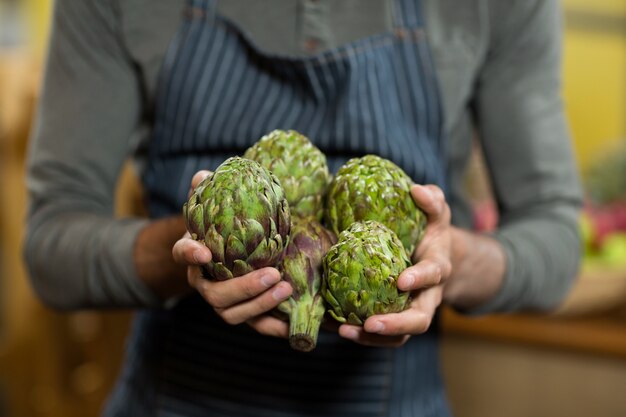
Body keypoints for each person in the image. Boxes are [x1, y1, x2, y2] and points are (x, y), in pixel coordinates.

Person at [24, 0, 583, 416]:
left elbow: (556, 241)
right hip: (176, 398)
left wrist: (446, 261)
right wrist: (197, 250)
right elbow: (51, 249)